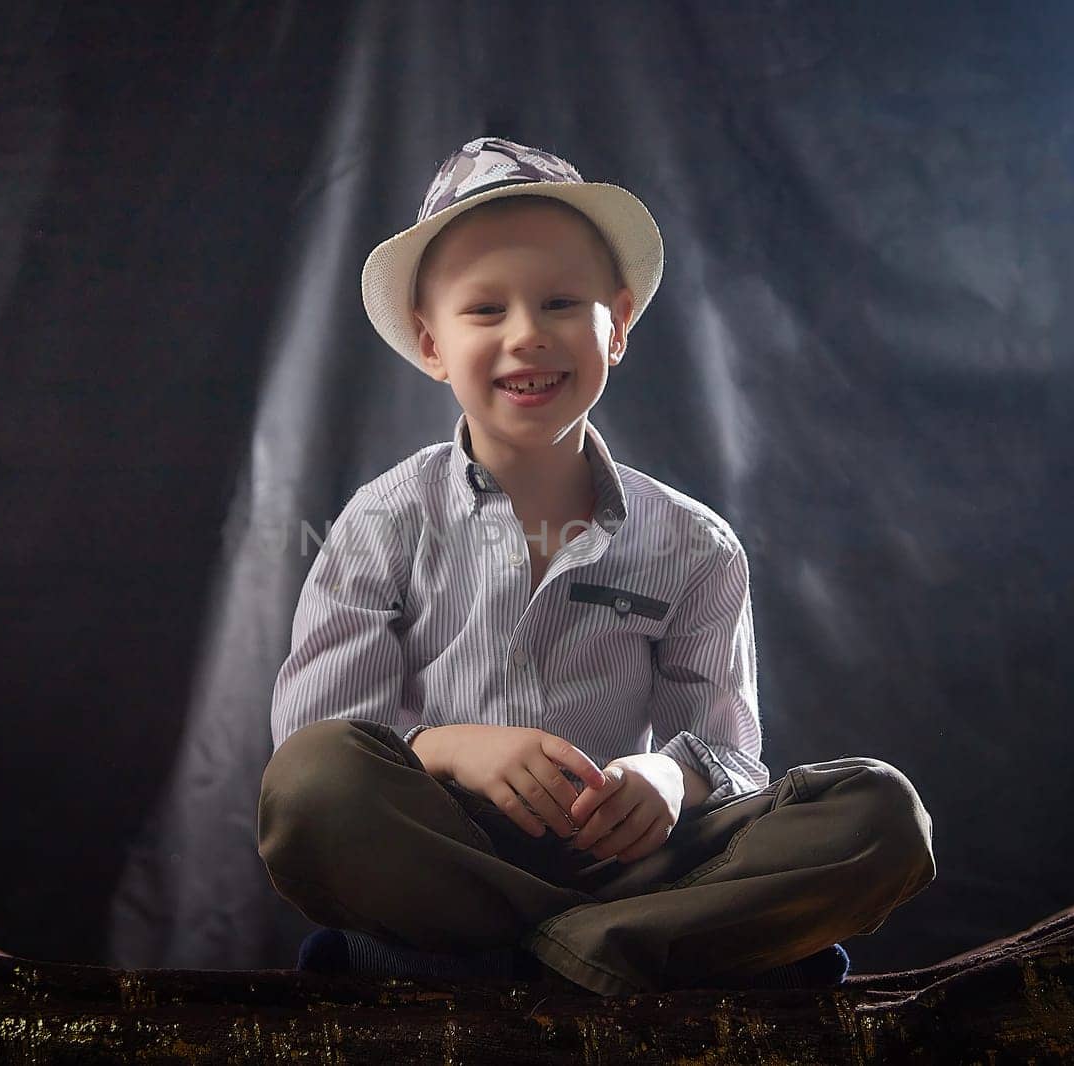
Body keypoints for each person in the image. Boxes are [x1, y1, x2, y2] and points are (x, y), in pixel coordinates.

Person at [257, 136, 935, 997]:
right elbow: (317, 742)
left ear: (618, 324)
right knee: (315, 789)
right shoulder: (380, 524)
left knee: (879, 816)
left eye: (561, 302)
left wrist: (668, 774)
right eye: (485, 311)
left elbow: (730, 755)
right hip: (442, 856)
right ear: (431, 344)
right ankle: (622, 952)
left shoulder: (694, 543)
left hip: (629, 866)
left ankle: (556, 946)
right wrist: (452, 749)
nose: (528, 336)